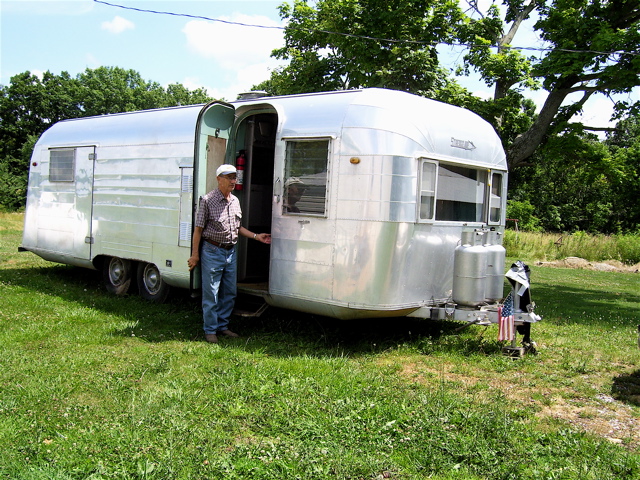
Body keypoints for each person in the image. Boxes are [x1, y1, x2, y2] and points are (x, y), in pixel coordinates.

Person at [188, 164, 271, 343]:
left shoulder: (235, 201)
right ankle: (210, 330)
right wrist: (195, 255)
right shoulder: (207, 200)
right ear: (219, 179)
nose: (233, 181)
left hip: (230, 252)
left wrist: (257, 236)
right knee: (211, 293)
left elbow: (237, 227)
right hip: (212, 251)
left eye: (234, 177)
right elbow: (198, 230)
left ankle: (222, 326)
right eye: (229, 177)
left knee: (230, 292)